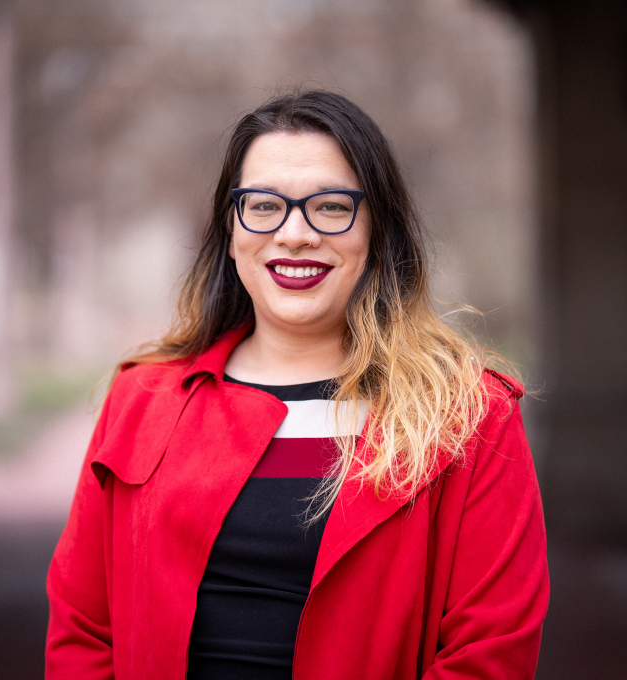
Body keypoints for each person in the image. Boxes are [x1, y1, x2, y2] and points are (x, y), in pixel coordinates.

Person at [45, 90, 549, 680]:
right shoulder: (141, 401)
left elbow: (489, 655)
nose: (295, 233)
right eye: (263, 206)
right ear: (231, 231)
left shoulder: (469, 418)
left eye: (331, 207)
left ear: (376, 229)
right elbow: (82, 634)